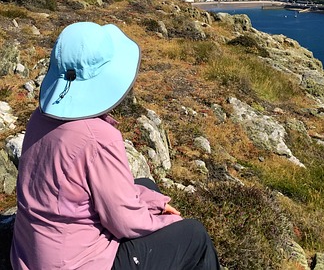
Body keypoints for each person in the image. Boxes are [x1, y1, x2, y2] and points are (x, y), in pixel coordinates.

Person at [11, 22, 219, 269]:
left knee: (144, 185)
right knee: (194, 236)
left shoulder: (40, 117)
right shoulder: (98, 137)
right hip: (75, 262)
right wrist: (167, 221)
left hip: (30, 252)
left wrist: (155, 202)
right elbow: (124, 222)